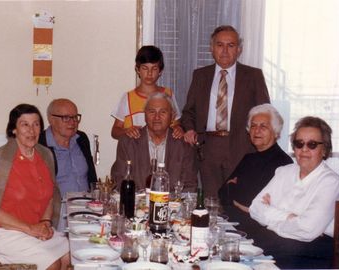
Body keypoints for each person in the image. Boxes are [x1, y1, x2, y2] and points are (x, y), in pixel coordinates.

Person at [0, 104, 69, 270]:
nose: (31, 130)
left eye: (36, 124)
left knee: (69, 253)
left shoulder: (45, 155)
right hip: (2, 232)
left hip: (33, 228)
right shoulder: (0, 160)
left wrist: (45, 222)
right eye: (25, 124)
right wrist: (30, 229)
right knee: (52, 263)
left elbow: (50, 196)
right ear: (14, 129)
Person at [181, 25, 270, 196]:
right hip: (208, 148)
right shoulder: (200, 76)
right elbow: (188, 112)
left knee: (238, 199)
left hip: (242, 147)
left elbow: (265, 113)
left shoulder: (253, 76)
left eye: (231, 45)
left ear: (239, 49)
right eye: (220, 45)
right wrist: (190, 129)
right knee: (211, 201)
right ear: (211, 48)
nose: (224, 51)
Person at [249, 116, 339, 268]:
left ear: (324, 150)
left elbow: (307, 230)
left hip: (310, 253)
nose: (304, 149)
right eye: (299, 144)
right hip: (278, 245)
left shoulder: (331, 182)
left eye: (312, 144)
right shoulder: (284, 172)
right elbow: (255, 208)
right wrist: (290, 217)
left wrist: (271, 220)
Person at [218, 104, 293, 231]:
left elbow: (252, 203)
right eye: (253, 126)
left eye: (263, 126)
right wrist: (234, 193)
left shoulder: (283, 163)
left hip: (259, 230)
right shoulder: (248, 158)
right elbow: (222, 193)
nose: (257, 130)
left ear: (276, 132)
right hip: (233, 224)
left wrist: (232, 189)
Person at [111, 92, 197, 192]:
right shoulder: (128, 142)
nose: (157, 117)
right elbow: (118, 179)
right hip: (137, 204)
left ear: (172, 116)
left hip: (172, 205)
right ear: (145, 115)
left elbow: (190, 186)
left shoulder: (183, 144)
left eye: (163, 112)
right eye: (152, 112)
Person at [111, 45, 183, 140]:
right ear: (137, 70)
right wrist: (127, 131)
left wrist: (178, 129)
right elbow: (115, 132)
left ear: (160, 71)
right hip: (136, 151)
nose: (149, 73)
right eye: (145, 68)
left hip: (163, 151)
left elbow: (177, 124)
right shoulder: (128, 98)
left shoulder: (168, 94)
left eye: (154, 68)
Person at [39, 98, 97, 194]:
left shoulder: (81, 139)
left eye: (75, 117)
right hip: (57, 206)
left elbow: (92, 178)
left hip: (87, 205)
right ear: (51, 120)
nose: (73, 122)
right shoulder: (40, 143)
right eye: (66, 118)